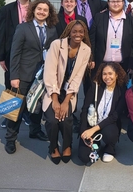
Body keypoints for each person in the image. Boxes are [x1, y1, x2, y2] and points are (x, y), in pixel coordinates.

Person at [5, 0, 58, 155]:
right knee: (17, 108)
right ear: (33, 10)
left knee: (36, 106)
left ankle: (34, 130)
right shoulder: (23, 28)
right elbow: (15, 54)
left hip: (41, 76)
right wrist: (13, 76)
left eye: (45, 10)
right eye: (39, 9)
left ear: (49, 13)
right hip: (23, 75)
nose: (42, 12)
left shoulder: (52, 30)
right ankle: (10, 138)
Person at [42, 20, 92, 164]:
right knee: (52, 120)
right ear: (69, 32)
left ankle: (67, 145)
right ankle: (53, 147)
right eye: (74, 31)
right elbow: (49, 73)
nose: (78, 34)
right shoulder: (57, 45)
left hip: (69, 93)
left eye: (81, 32)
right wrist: (56, 100)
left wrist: (65, 102)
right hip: (52, 89)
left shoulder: (86, 50)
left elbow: (77, 78)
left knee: (67, 119)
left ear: (84, 33)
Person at [0, 0, 34, 128]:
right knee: (10, 85)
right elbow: (1, 35)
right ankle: (9, 116)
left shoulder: (37, 8)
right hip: (11, 53)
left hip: (31, 54)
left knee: (29, 85)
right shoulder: (7, 10)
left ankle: (25, 113)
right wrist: (1, 57)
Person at [89, 0, 133, 94]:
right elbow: (92, 39)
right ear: (108, 3)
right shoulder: (99, 18)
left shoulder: (131, 21)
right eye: (113, 1)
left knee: (120, 95)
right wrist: (91, 58)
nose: (116, 4)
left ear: (123, 2)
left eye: (118, 1)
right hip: (101, 64)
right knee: (99, 93)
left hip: (122, 65)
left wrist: (132, 64)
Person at [78, 62, 127, 164]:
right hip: (91, 123)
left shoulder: (121, 90)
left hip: (108, 124)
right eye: (104, 74)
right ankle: (96, 142)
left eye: (110, 74)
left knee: (110, 133)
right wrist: (84, 132)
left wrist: (93, 130)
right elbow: (85, 109)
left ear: (116, 74)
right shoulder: (95, 86)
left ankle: (110, 148)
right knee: (84, 158)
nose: (107, 77)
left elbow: (115, 116)